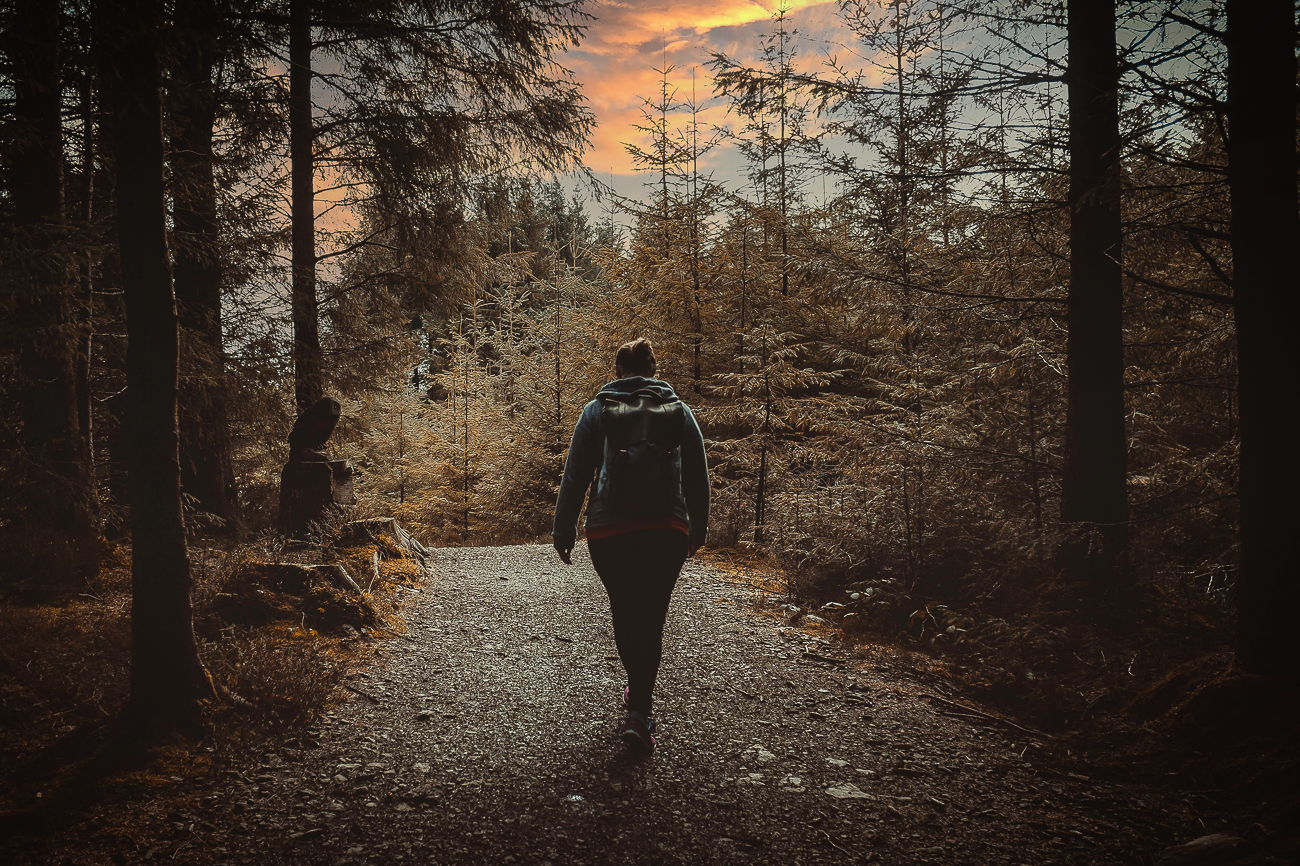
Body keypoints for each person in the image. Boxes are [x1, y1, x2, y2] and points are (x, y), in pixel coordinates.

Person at [552, 338, 709, 752]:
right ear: (653, 369)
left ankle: (637, 697)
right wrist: (699, 529)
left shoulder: (597, 410)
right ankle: (640, 709)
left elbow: (576, 473)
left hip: (610, 530)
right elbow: (697, 471)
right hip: (666, 527)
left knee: (625, 610)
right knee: (652, 616)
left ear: (618, 369)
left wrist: (563, 530)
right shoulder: (678, 411)